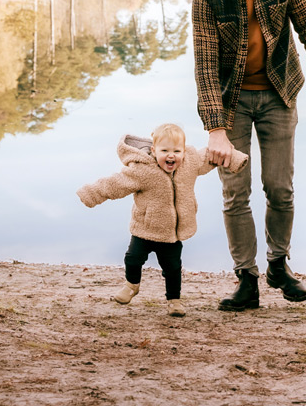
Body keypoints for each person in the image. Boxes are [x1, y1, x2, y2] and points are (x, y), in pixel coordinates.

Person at [193, 0, 306, 311]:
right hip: (231, 101)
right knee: (234, 193)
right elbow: (205, 65)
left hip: (279, 92)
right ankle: (247, 278)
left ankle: (278, 264)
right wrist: (215, 129)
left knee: (280, 188)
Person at [76, 123, 248, 317]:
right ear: (153, 150)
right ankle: (131, 285)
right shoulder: (143, 170)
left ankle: (174, 300)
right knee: (132, 259)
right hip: (145, 229)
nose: (171, 155)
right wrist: (90, 193)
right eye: (164, 150)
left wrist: (236, 158)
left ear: (184, 151)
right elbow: (115, 184)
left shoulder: (190, 163)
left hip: (172, 233)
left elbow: (211, 155)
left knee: (172, 269)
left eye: (176, 150)